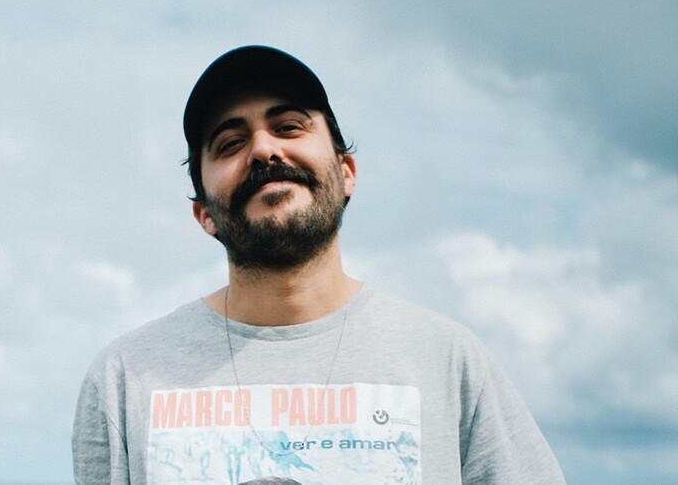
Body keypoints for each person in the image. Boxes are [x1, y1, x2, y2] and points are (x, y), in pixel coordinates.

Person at [72, 45, 565, 484]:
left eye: (289, 126)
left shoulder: (448, 362)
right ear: (204, 214)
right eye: (230, 144)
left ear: (346, 172)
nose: (264, 149)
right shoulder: (125, 379)